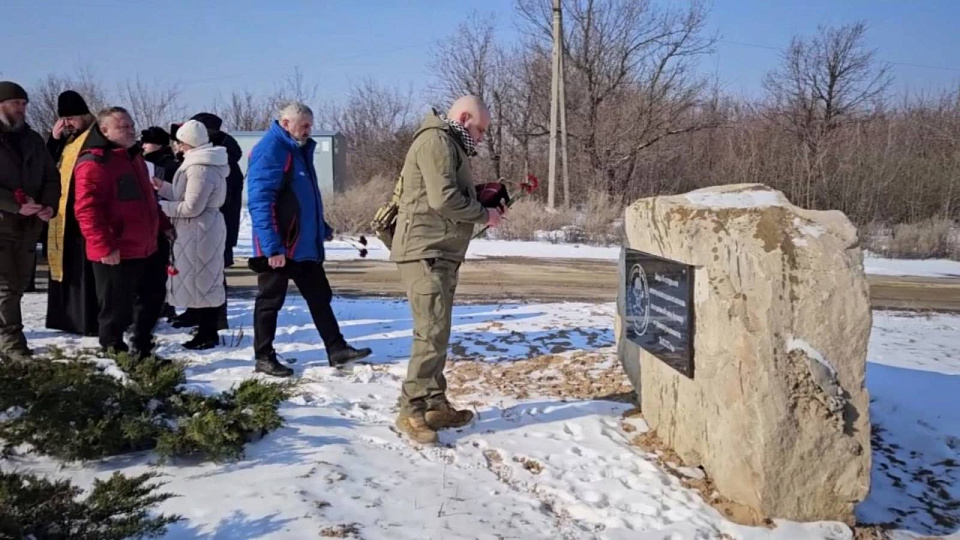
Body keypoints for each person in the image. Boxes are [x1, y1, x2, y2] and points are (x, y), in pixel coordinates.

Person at [390, 96, 502, 444]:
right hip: (426, 252)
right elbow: (443, 199)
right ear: (464, 118)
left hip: (440, 252)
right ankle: (410, 410)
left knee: (437, 332)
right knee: (430, 332)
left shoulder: (448, 143)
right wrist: (485, 214)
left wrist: (481, 199)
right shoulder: (437, 141)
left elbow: (444, 195)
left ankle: (434, 404)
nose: (481, 138)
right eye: (480, 129)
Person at [247, 101, 371, 377]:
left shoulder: (298, 150)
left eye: (310, 126)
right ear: (286, 123)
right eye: (304, 125)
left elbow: (303, 199)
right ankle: (263, 356)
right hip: (279, 246)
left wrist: (320, 227)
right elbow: (260, 201)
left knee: (319, 296)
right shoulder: (271, 151)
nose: (308, 131)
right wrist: (271, 246)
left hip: (303, 244)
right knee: (270, 301)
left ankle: (336, 349)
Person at [73, 107, 165, 355]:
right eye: (122, 126)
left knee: (152, 299)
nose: (130, 129)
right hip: (116, 249)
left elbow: (147, 199)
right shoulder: (94, 162)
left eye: (131, 124)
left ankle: (142, 347)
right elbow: (86, 210)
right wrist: (104, 245)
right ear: (104, 131)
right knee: (116, 308)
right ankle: (114, 352)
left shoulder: (133, 157)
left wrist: (163, 224)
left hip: (147, 245)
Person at [153, 120, 228, 350]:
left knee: (203, 280)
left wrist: (157, 209)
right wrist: (162, 187)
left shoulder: (199, 167)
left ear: (188, 143)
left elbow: (191, 206)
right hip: (197, 229)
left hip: (199, 229)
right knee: (201, 278)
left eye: (181, 143)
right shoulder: (201, 163)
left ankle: (207, 333)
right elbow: (183, 194)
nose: (178, 147)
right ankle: (205, 329)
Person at [0, 81, 60, 362]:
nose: (21, 109)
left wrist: (48, 205)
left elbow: (51, 176)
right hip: (2, 223)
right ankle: (12, 343)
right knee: (5, 287)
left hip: (27, 227)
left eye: (24, 104)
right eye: (16, 103)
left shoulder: (34, 139)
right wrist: (14, 205)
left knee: (20, 284)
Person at [45, 90, 100, 336]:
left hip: (86, 216)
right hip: (63, 217)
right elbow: (48, 167)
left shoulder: (97, 136)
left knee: (87, 272)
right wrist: (54, 140)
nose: (68, 123)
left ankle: (88, 320)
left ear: (86, 115)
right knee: (67, 268)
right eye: (63, 119)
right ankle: (67, 318)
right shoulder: (68, 141)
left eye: (72, 118)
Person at [140, 126, 180, 322]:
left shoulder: (167, 165)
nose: (143, 145)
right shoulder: (144, 162)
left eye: (146, 142)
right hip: (152, 219)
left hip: (164, 218)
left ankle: (166, 305)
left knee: (162, 267)